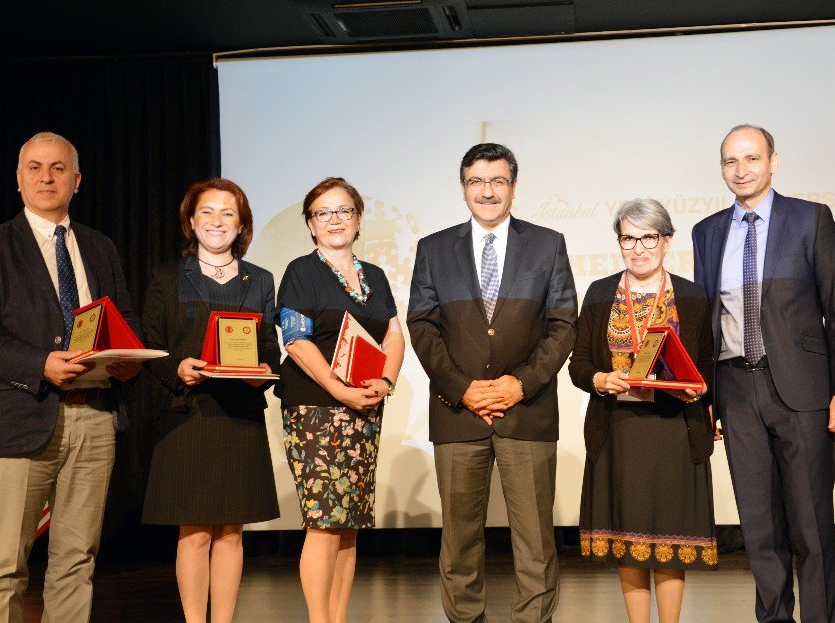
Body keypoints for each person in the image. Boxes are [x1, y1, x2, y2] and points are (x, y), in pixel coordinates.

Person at [0, 131, 142, 623]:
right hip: (20, 417)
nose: (46, 177)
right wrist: (41, 364)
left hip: (94, 420)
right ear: (18, 181)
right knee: (4, 566)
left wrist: (128, 357)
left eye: (58, 168)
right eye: (35, 168)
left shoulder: (100, 247)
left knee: (76, 562)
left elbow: (123, 318)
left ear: (76, 181)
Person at [692, 125, 835, 623]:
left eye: (750, 158)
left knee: (810, 525)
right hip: (736, 389)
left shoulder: (810, 219)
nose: (740, 170)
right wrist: (704, 399)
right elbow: (704, 324)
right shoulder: (707, 231)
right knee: (759, 528)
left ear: (773, 162)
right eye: (729, 161)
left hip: (802, 391)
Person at [407, 142, 577, 623]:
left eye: (497, 180)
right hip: (458, 413)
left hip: (527, 410)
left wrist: (520, 385)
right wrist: (462, 388)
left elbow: (563, 324)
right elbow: (422, 325)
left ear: (514, 187)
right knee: (459, 539)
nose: (487, 191)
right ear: (463, 188)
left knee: (536, 541)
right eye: (476, 181)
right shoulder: (433, 249)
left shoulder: (547, 244)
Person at [569, 198, 716, 623]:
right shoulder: (599, 293)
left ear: (666, 241)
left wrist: (698, 390)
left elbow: (705, 360)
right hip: (618, 429)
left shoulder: (690, 294)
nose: (638, 248)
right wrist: (599, 379)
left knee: (672, 539)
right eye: (628, 238)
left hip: (675, 429)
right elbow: (578, 362)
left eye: (648, 237)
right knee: (627, 542)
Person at [140, 178, 281, 623]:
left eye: (227, 214)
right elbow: (152, 346)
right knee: (195, 531)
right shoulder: (166, 276)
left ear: (241, 225)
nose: (216, 222)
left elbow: (269, 352)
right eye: (207, 212)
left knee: (232, 532)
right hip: (187, 415)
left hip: (239, 416)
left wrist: (262, 373)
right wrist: (177, 367)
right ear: (190, 220)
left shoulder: (259, 280)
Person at [276, 177, 405, 623]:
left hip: (365, 408)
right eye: (323, 213)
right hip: (315, 409)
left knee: (349, 526)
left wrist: (384, 383)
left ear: (358, 219)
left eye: (344, 211)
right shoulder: (301, 271)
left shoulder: (376, 276)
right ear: (311, 225)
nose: (335, 220)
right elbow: (295, 341)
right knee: (324, 521)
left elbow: (393, 334)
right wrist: (340, 390)